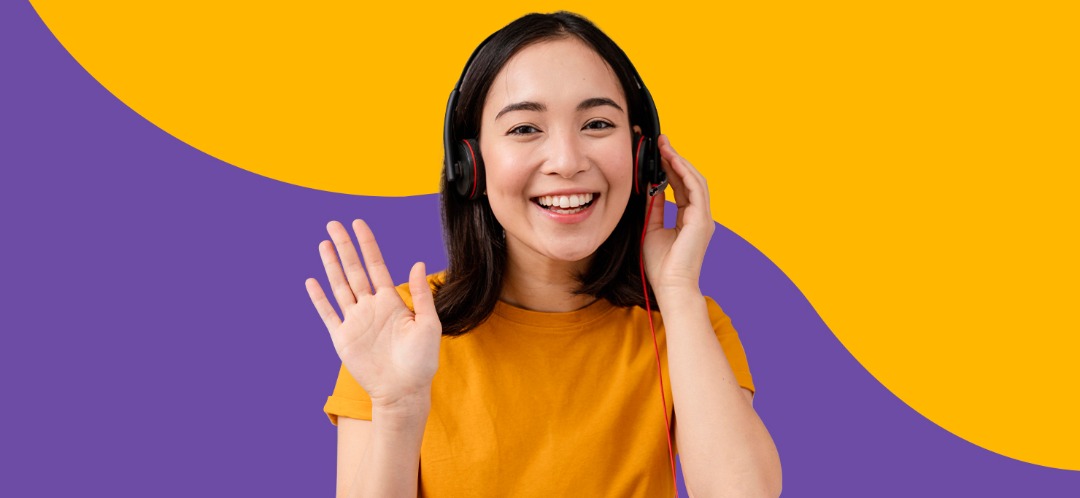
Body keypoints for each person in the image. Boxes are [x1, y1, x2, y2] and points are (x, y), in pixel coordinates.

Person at [305, 11, 781, 498]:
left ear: (643, 157)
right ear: (470, 163)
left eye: (596, 123)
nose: (568, 162)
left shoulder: (684, 326)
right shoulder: (401, 330)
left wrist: (678, 293)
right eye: (525, 129)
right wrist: (397, 410)